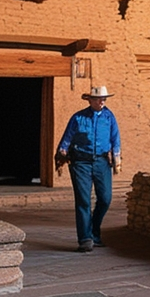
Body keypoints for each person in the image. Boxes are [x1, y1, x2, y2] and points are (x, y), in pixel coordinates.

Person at [55, 85, 121, 253]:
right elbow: (67, 137)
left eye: (104, 99)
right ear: (90, 100)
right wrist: (62, 152)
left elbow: (115, 138)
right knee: (83, 200)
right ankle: (85, 238)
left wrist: (117, 158)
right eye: (99, 99)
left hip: (102, 162)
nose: (102, 101)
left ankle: (94, 231)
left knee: (105, 198)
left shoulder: (109, 117)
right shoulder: (78, 118)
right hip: (81, 163)